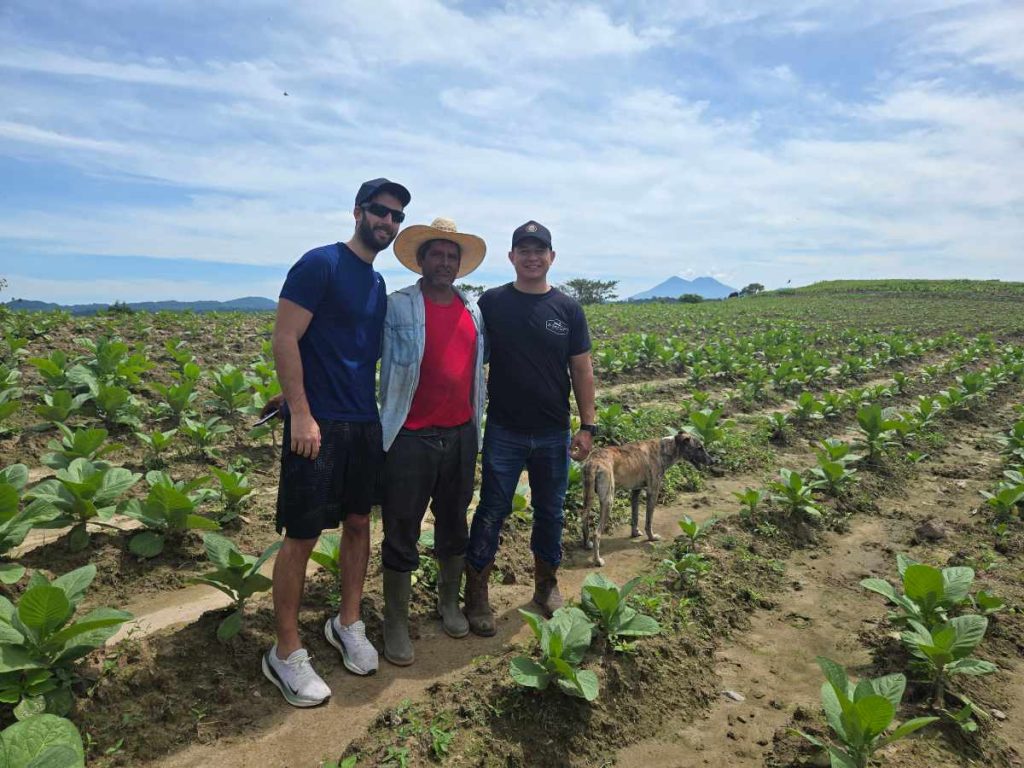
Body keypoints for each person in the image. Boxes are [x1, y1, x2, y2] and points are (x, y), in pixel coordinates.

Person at [262, 177, 410, 708]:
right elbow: (285, 336)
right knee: (301, 534)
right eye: (379, 211)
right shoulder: (319, 264)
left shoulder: (375, 286)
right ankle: (285, 651)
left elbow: (347, 352)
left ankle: (348, 622)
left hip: (361, 422)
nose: (386, 222)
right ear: (357, 212)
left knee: (357, 524)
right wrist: (300, 410)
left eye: (394, 216)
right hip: (317, 424)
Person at [463, 220, 597, 636]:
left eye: (540, 250)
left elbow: (581, 368)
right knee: (492, 510)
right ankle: (477, 592)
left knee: (551, 512)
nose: (532, 256)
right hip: (505, 428)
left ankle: (546, 586)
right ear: (512, 257)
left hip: (554, 431)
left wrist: (588, 424)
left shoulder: (568, 309)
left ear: (551, 257)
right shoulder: (492, 303)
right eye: (524, 249)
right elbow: (468, 354)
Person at [377, 217, 487, 666]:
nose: (444, 262)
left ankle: (446, 603)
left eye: (451, 256)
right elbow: (362, 355)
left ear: (460, 265)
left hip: (461, 433)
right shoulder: (398, 307)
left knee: (454, 521)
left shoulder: (473, 309)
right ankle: (395, 621)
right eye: (436, 254)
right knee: (402, 526)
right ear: (420, 261)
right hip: (409, 436)